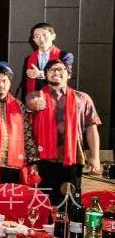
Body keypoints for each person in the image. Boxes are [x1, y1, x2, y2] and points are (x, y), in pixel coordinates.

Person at [26, 59, 101, 207]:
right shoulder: (34, 96)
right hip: (43, 161)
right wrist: (35, 105)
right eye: (52, 70)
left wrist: (95, 156)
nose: (56, 72)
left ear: (69, 74)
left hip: (72, 159)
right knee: (42, 205)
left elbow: (91, 128)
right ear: (45, 75)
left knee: (70, 205)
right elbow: (30, 105)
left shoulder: (83, 98)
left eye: (60, 69)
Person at [18, 23, 74, 99]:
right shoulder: (29, 58)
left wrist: (40, 74)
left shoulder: (64, 56)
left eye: (44, 35)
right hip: (35, 99)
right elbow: (25, 84)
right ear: (33, 39)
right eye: (37, 36)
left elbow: (68, 75)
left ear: (53, 36)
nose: (41, 39)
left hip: (57, 98)